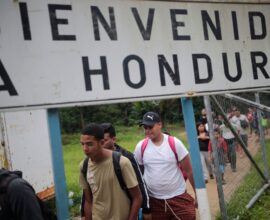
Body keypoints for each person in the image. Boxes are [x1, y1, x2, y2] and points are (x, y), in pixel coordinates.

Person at [134, 112, 197, 220]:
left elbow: (189, 171)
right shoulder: (141, 147)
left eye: (150, 127)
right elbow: (139, 175)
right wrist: (145, 205)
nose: (148, 130)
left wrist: (197, 194)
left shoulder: (174, 143)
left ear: (160, 125)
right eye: (145, 127)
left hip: (179, 197)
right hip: (154, 201)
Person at [79, 123, 142, 220]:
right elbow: (88, 201)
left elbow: (137, 197)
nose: (85, 149)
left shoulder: (122, 162)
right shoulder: (84, 166)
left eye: (90, 144)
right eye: (82, 144)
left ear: (102, 142)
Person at [100, 122, 151, 219]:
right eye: (99, 141)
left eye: (105, 141)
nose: (101, 144)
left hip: (126, 210)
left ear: (113, 139)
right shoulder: (94, 159)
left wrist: (146, 208)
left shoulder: (127, 157)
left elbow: (140, 182)